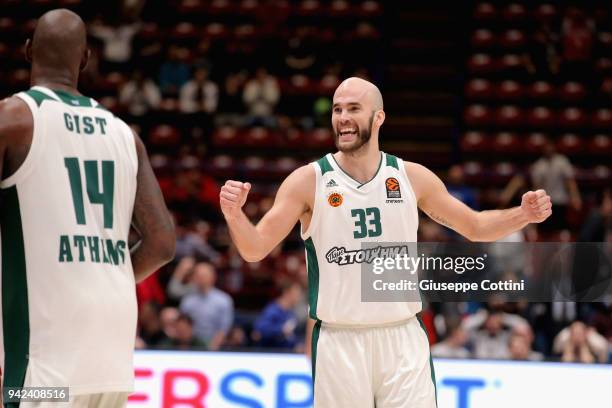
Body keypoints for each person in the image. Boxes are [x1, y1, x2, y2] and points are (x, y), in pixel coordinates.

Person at [220, 77, 552, 407]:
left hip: (402, 336)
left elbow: (475, 226)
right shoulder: (309, 181)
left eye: (353, 108)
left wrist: (523, 214)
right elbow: (255, 248)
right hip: (340, 340)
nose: (343, 117)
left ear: (378, 117)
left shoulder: (410, 176)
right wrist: (235, 214)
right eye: (337, 109)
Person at [0, 9, 175, 407]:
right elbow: (162, 244)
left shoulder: (12, 119)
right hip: (111, 357)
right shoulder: (123, 134)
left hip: (44, 364)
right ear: (85, 60)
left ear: (28, 51)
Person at [179, 261, 234, 351]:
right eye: (197, 276)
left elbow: (224, 328)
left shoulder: (224, 300)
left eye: (203, 276)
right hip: (191, 344)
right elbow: (183, 326)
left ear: (213, 277)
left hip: (215, 345)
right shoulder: (187, 300)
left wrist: (212, 347)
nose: (200, 279)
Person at [252, 281, 304, 349]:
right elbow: (258, 331)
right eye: (296, 294)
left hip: (287, 353)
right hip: (270, 353)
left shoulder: (291, 313)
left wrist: (297, 345)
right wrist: (281, 330)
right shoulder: (273, 310)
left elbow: (291, 337)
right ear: (286, 293)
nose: (298, 298)